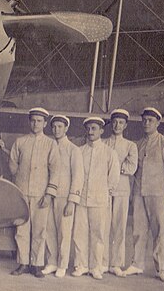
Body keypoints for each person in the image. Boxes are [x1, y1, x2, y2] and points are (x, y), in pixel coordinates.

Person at [124, 107, 164, 283]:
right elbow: (133, 168)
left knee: (158, 230)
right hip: (139, 192)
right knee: (138, 229)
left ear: (157, 123)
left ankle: (160, 268)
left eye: (150, 120)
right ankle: (137, 264)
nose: (147, 123)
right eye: (144, 120)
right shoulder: (138, 144)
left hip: (157, 192)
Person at [8, 107, 60, 278]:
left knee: (39, 230)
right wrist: (18, 184)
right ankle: (23, 263)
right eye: (33, 120)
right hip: (22, 193)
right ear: (29, 122)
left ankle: (37, 264)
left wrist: (49, 194)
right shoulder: (20, 142)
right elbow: (13, 165)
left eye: (39, 121)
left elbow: (55, 170)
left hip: (41, 194)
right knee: (22, 228)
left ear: (45, 123)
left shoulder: (51, 144)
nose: (35, 123)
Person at [72, 117, 120, 280]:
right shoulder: (79, 151)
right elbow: (76, 175)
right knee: (80, 233)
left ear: (101, 131)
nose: (90, 132)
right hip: (82, 200)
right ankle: (81, 265)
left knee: (98, 234)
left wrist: (104, 193)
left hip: (100, 200)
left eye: (94, 128)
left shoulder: (109, 153)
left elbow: (113, 178)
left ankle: (95, 267)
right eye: (88, 129)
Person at [43, 115, 83, 278]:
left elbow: (78, 176)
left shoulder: (74, 150)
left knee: (64, 232)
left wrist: (72, 201)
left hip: (65, 197)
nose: (56, 130)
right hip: (48, 195)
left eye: (60, 126)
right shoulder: (48, 147)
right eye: (54, 127)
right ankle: (51, 262)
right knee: (49, 230)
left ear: (66, 128)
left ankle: (62, 264)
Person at [102, 109, 138, 277]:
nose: (117, 125)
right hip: (104, 189)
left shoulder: (130, 145)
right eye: (115, 122)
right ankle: (102, 262)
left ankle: (116, 263)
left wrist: (112, 168)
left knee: (119, 226)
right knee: (103, 226)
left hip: (122, 190)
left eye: (121, 123)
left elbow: (131, 168)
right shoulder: (103, 143)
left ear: (126, 125)